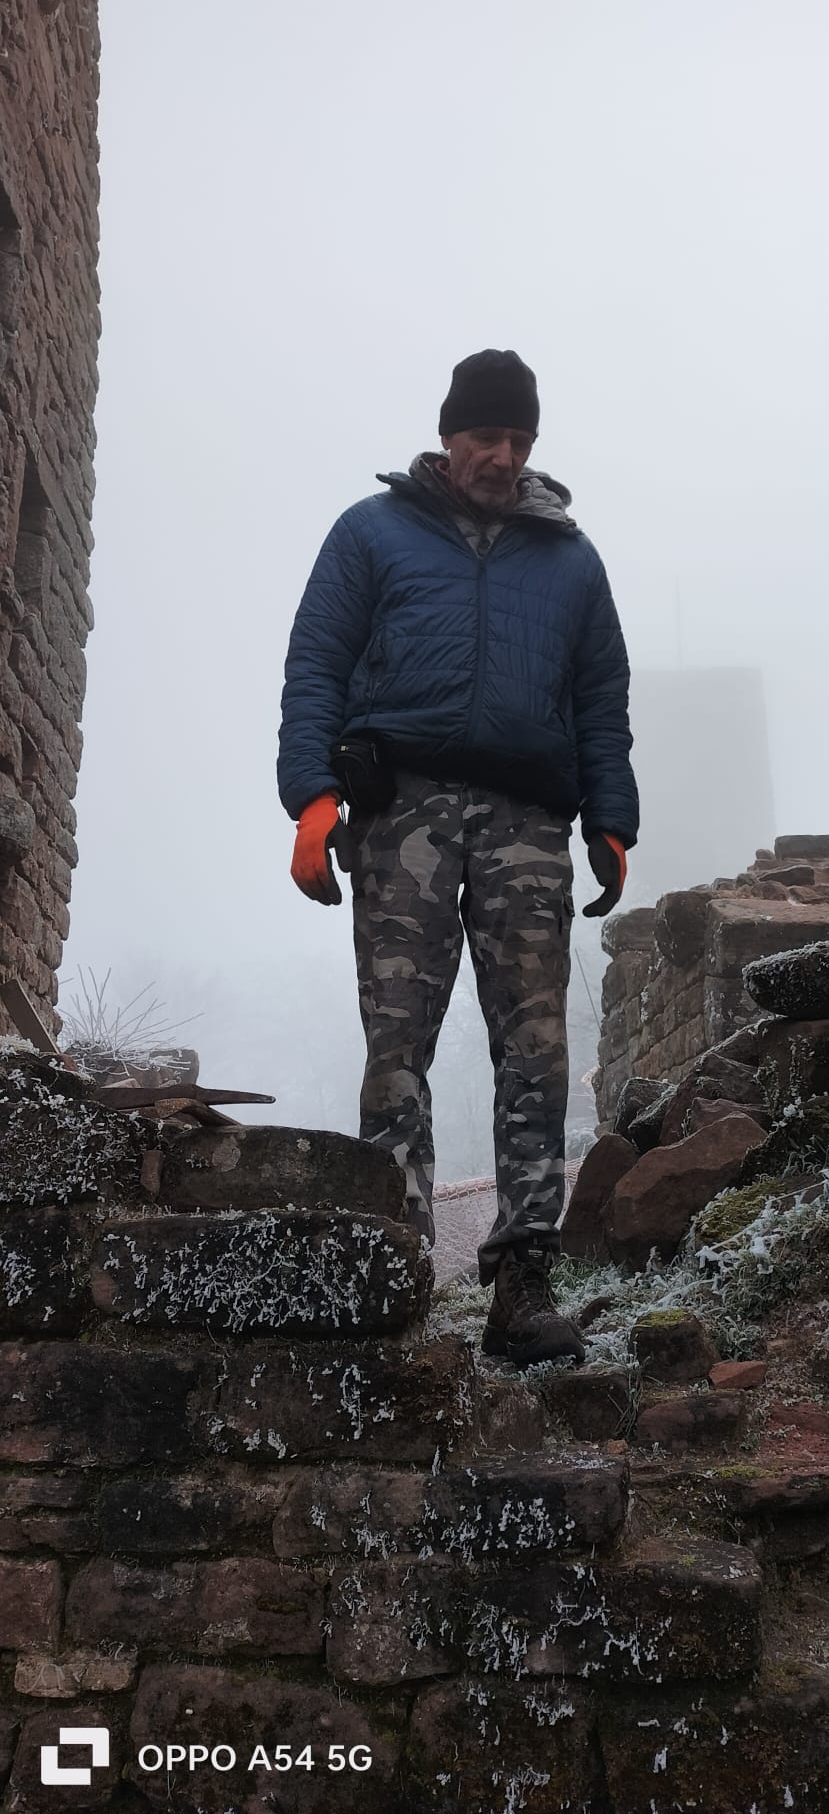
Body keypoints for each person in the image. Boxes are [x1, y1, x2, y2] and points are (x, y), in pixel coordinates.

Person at [277, 349, 638, 1365]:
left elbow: (602, 701)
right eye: (487, 435)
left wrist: (612, 820)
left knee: (535, 1047)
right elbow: (316, 666)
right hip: (404, 813)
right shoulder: (371, 534)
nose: (504, 455)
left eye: (519, 439)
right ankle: (393, 1272)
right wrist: (312, 798)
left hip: (530, 820)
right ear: (449, 435)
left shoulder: (572, 562)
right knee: (398, 1044)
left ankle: (522, 1287)